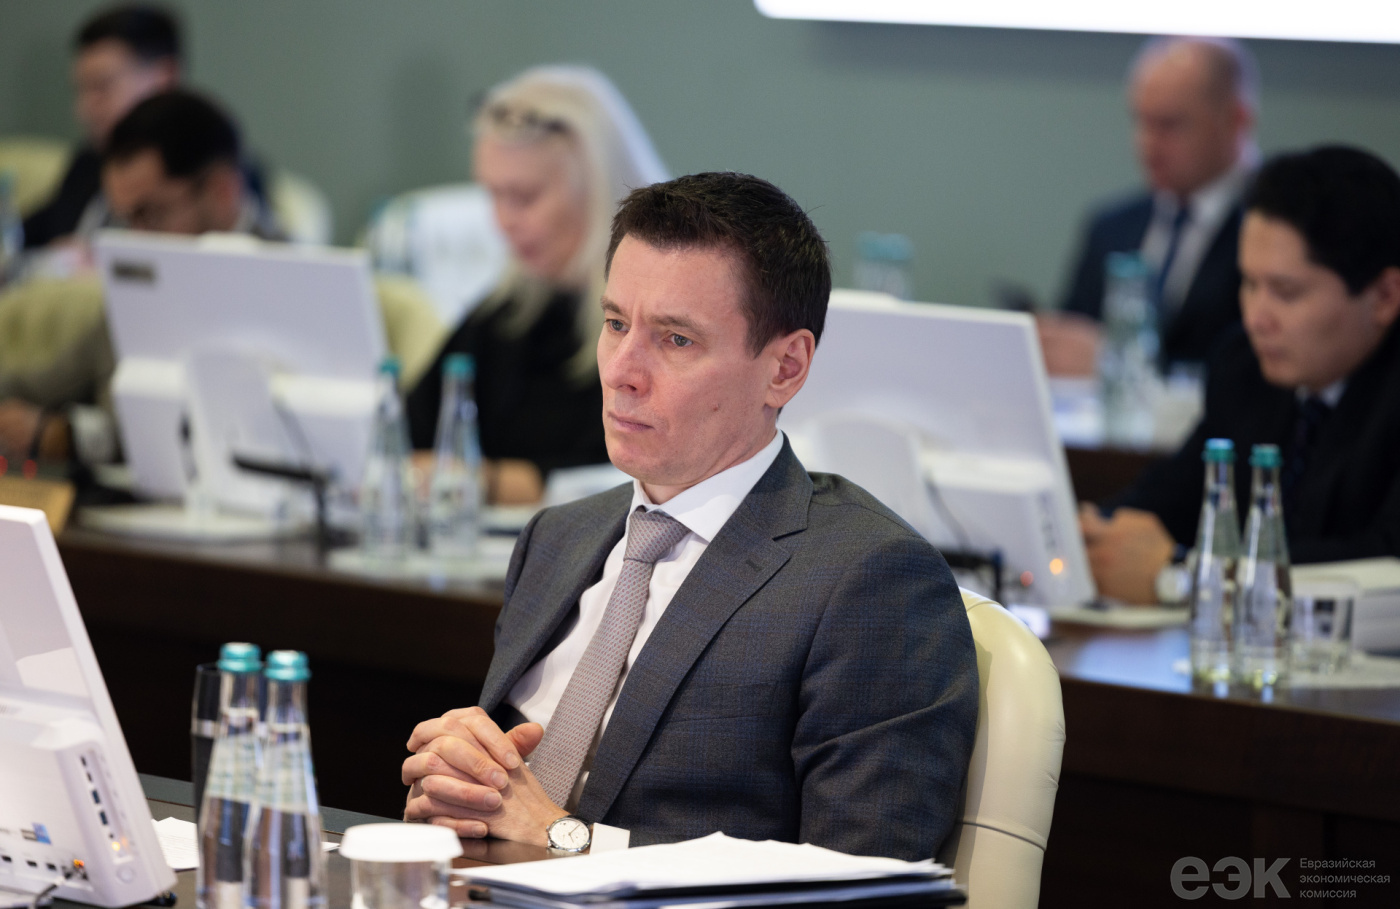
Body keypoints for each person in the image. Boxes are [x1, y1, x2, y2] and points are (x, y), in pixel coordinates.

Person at [400, 173, 978, 861]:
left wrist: (562, 839)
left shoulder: (870, 581)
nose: (621, 370)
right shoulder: (556, 538)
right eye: (616, 324)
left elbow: (862, 884)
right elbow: (507, 808)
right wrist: (461, 792)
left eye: (675, 340)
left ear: (785, 367)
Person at [0, 90, 441, 462]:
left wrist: (71, 437)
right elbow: (47, 382)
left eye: (151, 213)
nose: (137, 236)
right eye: (126, 219)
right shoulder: (151, 278)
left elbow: (236, 436)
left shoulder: (300, 289)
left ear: (222, 190)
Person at [1082, 146, 1400, 604]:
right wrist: (1095, 533)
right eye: (1249, 284)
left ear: (1385, 296)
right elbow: (1177, 492)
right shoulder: (1244, 367)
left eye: (1286, 292)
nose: (1256, 318)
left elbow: (1383, 559)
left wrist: (1185, 575)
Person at [404, 66, 668, 495]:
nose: (503, 221)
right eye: (493, 195)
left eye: (524, 197)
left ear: (597, 189)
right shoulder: (505, 314)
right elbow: (407, 433)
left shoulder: (658, 328)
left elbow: (627, 480)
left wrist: (481, 481)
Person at [1040, 36, 1259, 375]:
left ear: (1235, 121)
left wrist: (1117, 362)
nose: (1147, 143)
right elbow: (1075, 336)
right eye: (1141, 121)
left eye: (1170, 124)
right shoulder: (1109, 228)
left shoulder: (1270, 231)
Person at [22, 4, 182, 249]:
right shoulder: (89, 162)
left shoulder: (202, 173)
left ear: (164, 76)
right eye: (80, 90)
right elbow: (24, 233)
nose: (83, 109)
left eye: (101, 86)